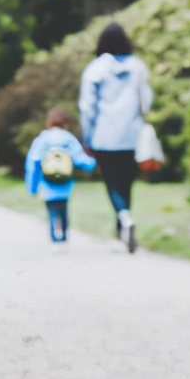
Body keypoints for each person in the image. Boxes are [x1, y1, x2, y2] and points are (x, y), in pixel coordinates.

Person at [78, 22, 153, 253]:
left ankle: (123, 217)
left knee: (112, 182)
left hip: (104, 136)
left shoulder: (95, 69)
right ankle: (123, 225)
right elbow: (147, 102)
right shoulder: (137, 66)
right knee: (127, 181)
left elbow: (87, 107)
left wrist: (86, 138)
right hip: (132, 135)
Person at [25, 106, 97, 249]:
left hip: (47, 183)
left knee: (52, 210)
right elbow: (81, 159)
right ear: (65, 123)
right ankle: (63, 237)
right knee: (63, 209)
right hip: (65, 184)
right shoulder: (68, 139)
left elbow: (33, 163)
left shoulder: (43, 139)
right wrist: (93, 163)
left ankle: (54, 239)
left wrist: (32, 187)